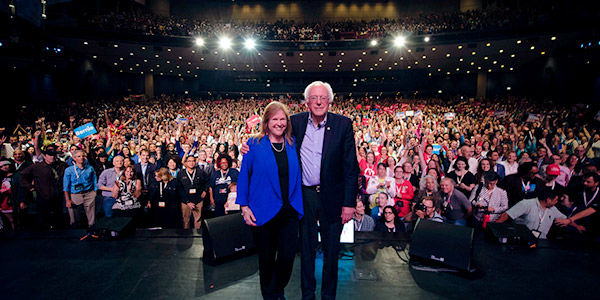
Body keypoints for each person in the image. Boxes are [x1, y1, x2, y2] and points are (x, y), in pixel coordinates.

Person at [291, 81, 359, 300]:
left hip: (333, 197)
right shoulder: (295, 122)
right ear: (306, 101)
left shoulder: (343, 124)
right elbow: (272, 135)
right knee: (307, 250)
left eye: (322, 98)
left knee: (331, 251)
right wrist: (251, 143)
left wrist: (349, 203)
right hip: (305, 196)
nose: (318, 102)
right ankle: (307, 295)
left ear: (330, 100)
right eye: (314, 98)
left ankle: (328, 296)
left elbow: (350, 168)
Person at [236, 101, 304, 300]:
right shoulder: (253, 145)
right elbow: (244, 177)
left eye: (283, 119)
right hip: (263, 211)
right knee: (266, 259)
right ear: (266, 122)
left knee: (288, 256)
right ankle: (271, 295)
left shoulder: (293, 144)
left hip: (289, 211)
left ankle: (278, 289)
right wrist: (244, 206)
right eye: (275, 119)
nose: (279, 123)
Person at [19, 144, 68, 229]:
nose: (51, 157)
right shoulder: (37, 166)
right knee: (41, 218)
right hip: (43, 196)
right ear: (45, 156)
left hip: (58, 196)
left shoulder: (61, 165)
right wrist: (29, 186)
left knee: (58, 218)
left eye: (53, 155)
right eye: (49, 155)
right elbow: (22, 174)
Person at [496, 188, 570, 239]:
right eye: (555, 200)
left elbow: (565, 219)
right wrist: (494, 229)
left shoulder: (553, 209)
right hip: (522, 240)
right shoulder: (526, 204)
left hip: (541, 242)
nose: (557, 202)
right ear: (548, 200)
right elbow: (507, 215)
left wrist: (577, 226)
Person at [63, 150, 98, 228]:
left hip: (89, 193)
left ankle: (91, 229)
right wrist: (67, 199)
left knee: (91, 217)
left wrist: (94, 193)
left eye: (83, 156)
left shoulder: (90, 168)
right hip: (75, 194)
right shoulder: (69, 170)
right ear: (74, 158)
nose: (81, 158)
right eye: (79, 156)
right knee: (74, 217)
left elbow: (94, 181)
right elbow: (66, 186)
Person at [177, 155, 208, 229]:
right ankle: (187, 238)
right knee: (186, 220)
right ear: (186, 163)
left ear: (195, 162)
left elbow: (207, 182)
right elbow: (179, 188)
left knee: (198, 220)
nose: (191, 163)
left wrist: (205, 191)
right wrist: (187, 201)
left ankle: (198, 237)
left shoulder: (200, 172)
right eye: (189, 161)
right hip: (186, 201)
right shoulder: (181, 173)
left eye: (193, 161)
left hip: (198, 199)